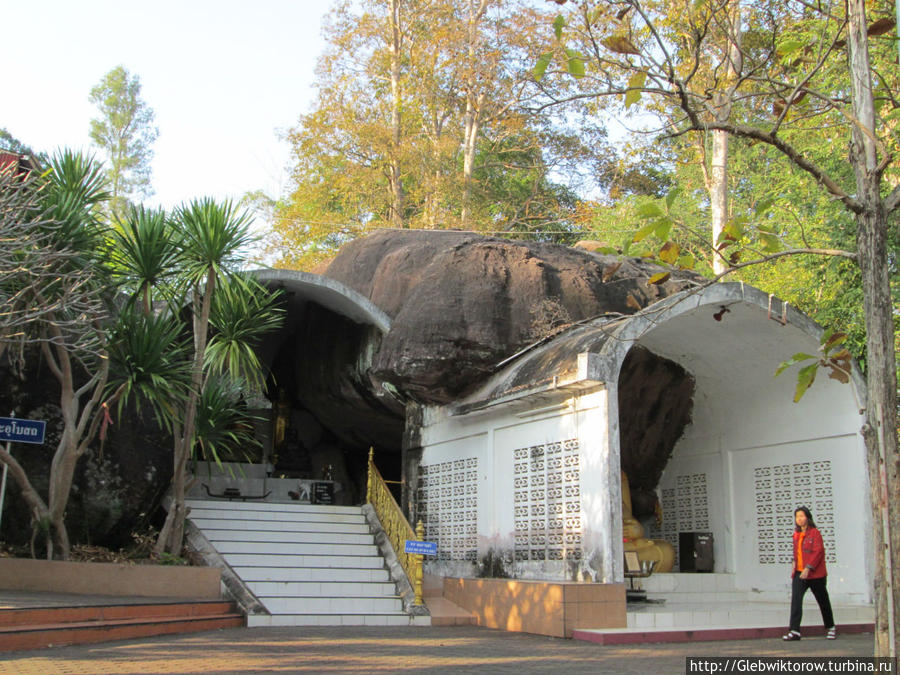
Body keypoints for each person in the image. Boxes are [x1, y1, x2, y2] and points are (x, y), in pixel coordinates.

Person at [782, 506, 836, 641]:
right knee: (796, 601)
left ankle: (831, 627)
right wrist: (794, 567)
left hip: (815, 574)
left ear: (808, 517)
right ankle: (794, 630)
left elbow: (818, 552)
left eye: (802, 516)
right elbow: (796, 554)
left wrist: (808, 568)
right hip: (799, 573)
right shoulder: (796, 534)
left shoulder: (815, 533)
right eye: (797, 516)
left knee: (822, 600)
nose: (799, 519)